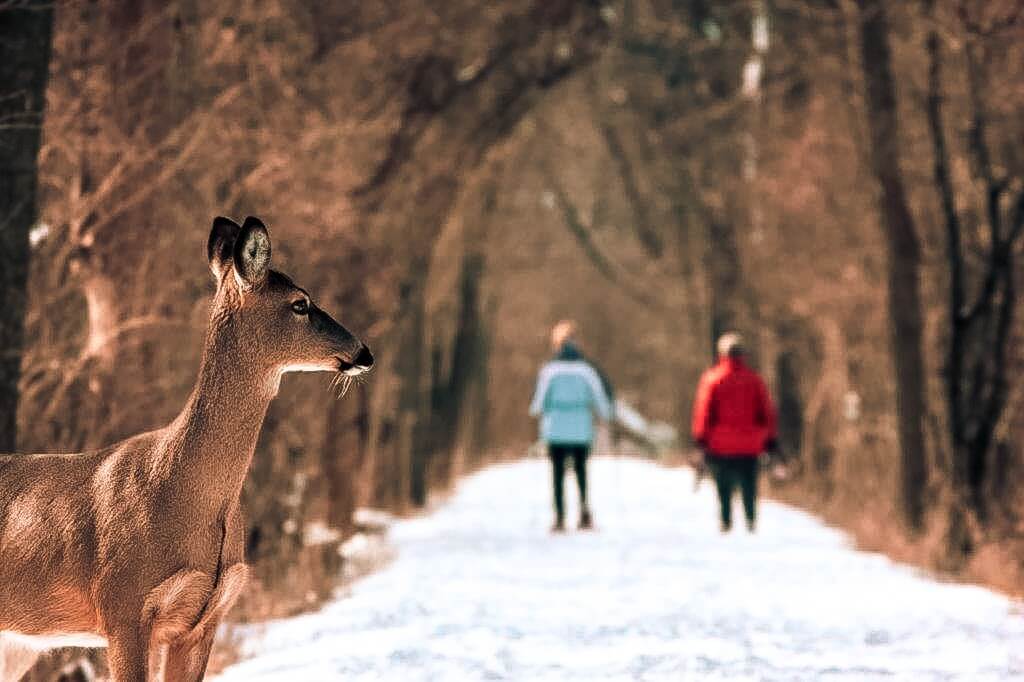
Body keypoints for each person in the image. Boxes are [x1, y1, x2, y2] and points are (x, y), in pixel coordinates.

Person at [530, 321, 613, 532]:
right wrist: (605, 415)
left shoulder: (549, 370)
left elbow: (538, 403)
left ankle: (559, 517)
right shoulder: (586, 370)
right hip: (581, 428)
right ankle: (584, 512)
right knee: (581, 471)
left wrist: (540, 412)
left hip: (555, 428)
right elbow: (600, 400)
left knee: (557, 474)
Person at [691, 332, 777, 533]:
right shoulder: (754, 380)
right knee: (749, 482)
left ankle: (726, 519)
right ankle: (750, 518)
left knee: (723, 483)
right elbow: (767, 411)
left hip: (720, 443)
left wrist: (700, 438)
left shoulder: (712, 379)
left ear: (722, 353)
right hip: (751, 443)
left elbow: (703, 411)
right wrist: (770, 439)